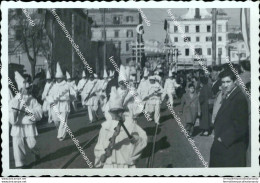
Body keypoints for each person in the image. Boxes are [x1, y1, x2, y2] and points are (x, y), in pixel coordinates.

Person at [94, 65, 147, 168]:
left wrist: (130, 109)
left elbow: (139, 105)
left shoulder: (133, 92)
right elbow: (110, 106)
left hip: (129, 118)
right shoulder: (116, 92)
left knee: (130, 139)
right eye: (120, 83)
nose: (122, 85)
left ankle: (131, 154)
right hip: (115, 120)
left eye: (124, 83)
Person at [209, 69, 249, 167]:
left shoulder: (239, 98)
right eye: (223, 82)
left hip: (230, 148)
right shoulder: (230, 94)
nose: (225, 85)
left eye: (228, 82)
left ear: (235, 82)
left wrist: (222, 139)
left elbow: (241, 126)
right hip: (226, 146)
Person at [9, 71, 43, 168]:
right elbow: (11, 114)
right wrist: (18, 104)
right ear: (20, 89)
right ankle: (20, 164)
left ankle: (36, 153)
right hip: (18, 126)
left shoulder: (32, 99)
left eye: (28, 88)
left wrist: (31, 113)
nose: (28, 90)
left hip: (28, 125)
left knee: (32, 144)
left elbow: (39, 110)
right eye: (26, 88)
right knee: (18, 144)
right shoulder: (14, 100)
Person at [47, 62, 71, 141]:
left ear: (62, 78)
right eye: (57, 78)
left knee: (63, 121)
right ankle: (60, 131)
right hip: (55, 106)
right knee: (56, 121)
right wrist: (51, 101)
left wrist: (61, 98)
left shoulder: (66, 85)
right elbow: (49, 95)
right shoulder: (54, 86)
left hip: (64, 106)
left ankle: (61, 135)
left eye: (60, 78)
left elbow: (68, 96)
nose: (58, 80)